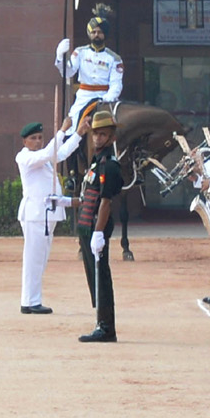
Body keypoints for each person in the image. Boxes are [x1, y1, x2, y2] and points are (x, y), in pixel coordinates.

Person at [15, 120, 78, 315]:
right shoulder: (25, 157)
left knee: (40, 259)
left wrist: (79, 134)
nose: (38, 141)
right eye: (33, 138)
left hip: (46, 214)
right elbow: (49, 153)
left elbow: (61, 153)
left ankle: (31, 299)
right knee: (34, 259)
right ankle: (30, 301)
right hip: (35, 215)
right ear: (24, 141)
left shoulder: (44, 158)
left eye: (40, 138)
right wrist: (61, 131)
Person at [76, 107, 122, 344]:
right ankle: (101, 323)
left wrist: (98, 233)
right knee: (94, 276)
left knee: (100, 276)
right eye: (95, 134)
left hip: (97, 226)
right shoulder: (97, 161)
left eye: (103, 134)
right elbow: (90, 195)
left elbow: (105, 202)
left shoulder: (109, 165)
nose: (97, 138)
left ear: (112, 137)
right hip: (88, 224)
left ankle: (106, 327)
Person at [57, 12, 123, 132]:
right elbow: (68, 73)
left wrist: (108, 98)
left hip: (105, 96)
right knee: (71, 125)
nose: (96, 35)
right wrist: (60, 56)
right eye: (93, 32)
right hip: (84, 96)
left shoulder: (114, 58)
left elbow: (116, 84)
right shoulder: (80, 52)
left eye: (100, 32)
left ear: (105, 34)